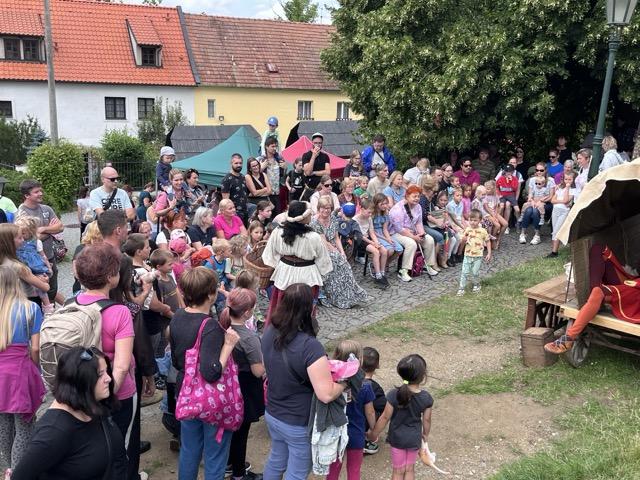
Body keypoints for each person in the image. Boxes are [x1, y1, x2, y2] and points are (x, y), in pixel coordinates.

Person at [261, 284, 346, 480]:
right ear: (310, 308)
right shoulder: (310, 347)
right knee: (297, 473)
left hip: (273, 412)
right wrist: (344, 383)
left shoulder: (270, 332)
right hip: (297, 421)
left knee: (276, 460)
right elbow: (326, 394)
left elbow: (266, 366)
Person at [74, 243, 141, 480]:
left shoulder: (71, 304)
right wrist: (107, 396)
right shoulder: (119, 312)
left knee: (89, 448)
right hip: (116, 393)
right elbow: (122, 365)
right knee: (119, 449)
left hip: (82, 391)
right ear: (112, 277)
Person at [11, 347, 127, 480]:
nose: (109, 378)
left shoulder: (93, 407)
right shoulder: (54, 432)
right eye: (100, 374)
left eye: (107, 371)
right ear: (80, 380)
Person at [169, 267, 240, 480]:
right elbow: (211, 372)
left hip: (185, 392)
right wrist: (228, 346)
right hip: (210, 401)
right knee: (215, 454)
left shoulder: (177, 316)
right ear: (210, 295)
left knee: (189, 449)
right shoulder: (209, 326)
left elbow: (176, 360)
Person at [545, 244, 640, 354]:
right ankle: (596, 295)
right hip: (632, 281)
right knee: (598, 248)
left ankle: (569, 338)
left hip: (635, 292)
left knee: (597, 293)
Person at [0, 266, 44, 474]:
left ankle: (8, 469)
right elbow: (35, 348)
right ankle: (19, 472)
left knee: (4, 426)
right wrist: (36, 368)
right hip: (19, 371)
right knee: (24, 425)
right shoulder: (30, 308)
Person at [261, 201, 332, 324]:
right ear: (303, 217)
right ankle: (301, 333)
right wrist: (323, 273)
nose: (311, 215)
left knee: (282, 308)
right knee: (303, 311)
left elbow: (269, 256)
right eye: (309, 213)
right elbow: (323, 261)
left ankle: (280, 331)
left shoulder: (278, 232)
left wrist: (279, 265)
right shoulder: (313, 237)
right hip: (307, 276)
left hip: (284, 274)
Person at [367, 354, 433, 480]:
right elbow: (427, 419)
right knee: (409, 469)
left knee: (398, 470)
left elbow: (385, 417)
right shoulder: (426, 398)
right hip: (414, 438)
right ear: (423, 376)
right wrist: (425, 434)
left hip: (397, 438)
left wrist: (374, 433)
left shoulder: (393, 395)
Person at [222, 289, 265, 480]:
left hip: (227, 384)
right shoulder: (248, 338)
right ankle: (239, 474)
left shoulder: (221, 326)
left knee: (229, 429)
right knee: (241, 433)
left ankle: (229, 463)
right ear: (247, 312)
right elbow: (258, 371)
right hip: (245, 387)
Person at [326, 340, 375, 480]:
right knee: (354, 470)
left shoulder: (330, 384)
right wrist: (372, 429)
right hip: (356, 433)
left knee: (333, 471)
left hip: (335, 433)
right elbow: (370, 412)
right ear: (359, 359)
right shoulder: (365, 386)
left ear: (336, 355)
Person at [311, 197, 367, 309]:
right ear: (319, 208)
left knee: (345, 266)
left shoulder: (333, 219)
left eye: (328, 208)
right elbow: (324, 242)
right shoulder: (315, 222)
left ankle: (350, 295)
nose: (326, 210)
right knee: (338, 264)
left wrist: (342, 252)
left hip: (333, 247)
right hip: (321, 250)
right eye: (323, 208)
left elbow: (336, 237)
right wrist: (337, 253)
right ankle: (335, 297)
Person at [16, 179, 63, 305]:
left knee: (52, 290)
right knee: (38, 293)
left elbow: (60, 227)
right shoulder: (21, 214)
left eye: (41, 190)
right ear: (27, 195)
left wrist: (43, 229)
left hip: (49, 256)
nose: (41, 193)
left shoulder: (46, 209)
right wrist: (51, 230)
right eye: (36, 192)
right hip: (33, 263)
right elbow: (28, 239)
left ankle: (51, 312)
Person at [389, 185, 438, 282]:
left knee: (429, 240)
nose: (417, 198)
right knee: (411, 243)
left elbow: (418, 223)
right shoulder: (398, 209)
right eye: (414, 196)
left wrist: (422, 234)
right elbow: (399, 229)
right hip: (396, 233)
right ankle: (403, 271)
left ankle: (427, 265)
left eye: (418, 196)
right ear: (407, 196)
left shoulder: (418, 207)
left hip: (412, 231)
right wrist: (414, 237)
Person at [14, 216, 54, 314]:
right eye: (19, 234)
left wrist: (48, 267)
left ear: (30, 232)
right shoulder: (16, 243)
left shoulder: (36, 242)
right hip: (23, 266)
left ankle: (47, 306)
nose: (21, 236)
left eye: (23, 233)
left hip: (35, 266)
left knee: (40, 286)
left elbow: (43, 255)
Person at [353, 197, 391, 288]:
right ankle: (378, 275)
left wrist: (376, 242)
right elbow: (360, 236)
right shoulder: (355, 220)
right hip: (360, 241)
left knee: (384, 251)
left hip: (368, 238)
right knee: (376, 252)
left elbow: (372, 232)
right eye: (369, 212)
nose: (370, 215)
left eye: (371, 213)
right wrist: (372, 243)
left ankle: (382, 272)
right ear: (362, 209)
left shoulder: (369, 218)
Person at [457, 208, 492, 296]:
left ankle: (476, 285)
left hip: (478, 256)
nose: (472, 222)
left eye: (475, 220)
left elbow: (488, 241)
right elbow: (463, 241)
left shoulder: (483, 231)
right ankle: (461, 288)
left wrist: (489, 253)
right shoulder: (467, 230)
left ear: (480, 220)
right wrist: (461, 249)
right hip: (467, 254)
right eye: (471, 220)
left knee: (475, 272)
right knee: (464, 272)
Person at [519, 163, 555, 245]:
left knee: (535, 211)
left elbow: (551, 196)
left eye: (541, 170)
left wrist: (541, 201)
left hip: (546, 203)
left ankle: (537, 235)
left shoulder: (550, 180)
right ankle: (523, 233)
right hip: (534, 201)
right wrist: (531, 200)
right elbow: (530, 193)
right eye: (537, 170)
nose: (539, 172)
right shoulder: (532, 180)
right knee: (528, 210)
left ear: (545, 170)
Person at [547, 171, 575, 258]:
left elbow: (566, 200)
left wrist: (567, 188)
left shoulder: (573, 190)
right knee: (554, 230)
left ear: (573, 180)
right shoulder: (559, 188)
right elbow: (552, 200)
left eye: (570, 179)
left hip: (564, 212)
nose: (567, 181)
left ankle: (554, 252)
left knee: (557, 231)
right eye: (566, 179)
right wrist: (561, 201)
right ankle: (553, 250)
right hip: (555, 210)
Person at [258, 137, 286, 214]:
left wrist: (284, 168)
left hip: (277, 192)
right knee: (266, 215)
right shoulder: (260, 159)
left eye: (276, 146)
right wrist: (261, 168)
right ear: (266, 147)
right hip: (265, 194)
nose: (274, 148)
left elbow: (283, 177)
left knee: (277, 214)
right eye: (272, 146)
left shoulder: (279, 159)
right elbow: (254, 176)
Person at [300, 133, 331, 202]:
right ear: (312, 143)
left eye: (320, 143)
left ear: (322, 143)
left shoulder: (325, 156)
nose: (317, 145)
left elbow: (328, 172)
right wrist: (313, 156)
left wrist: (314, 173)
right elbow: (308, 172)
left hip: (322, 187)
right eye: (315, 143)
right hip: (310, 188)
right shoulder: (306, 155)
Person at [222, 154, 251, 224]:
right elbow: (225, 201)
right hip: (234, 214)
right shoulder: (226, 179)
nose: (239, 165)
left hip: (245, 211)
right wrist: (232, 213)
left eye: (240, 163)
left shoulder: (242, 177)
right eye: (236, 163)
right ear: (231, 163)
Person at [495, 164, 520, 233]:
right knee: (501, 206)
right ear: (504, 171)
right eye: (507, 171)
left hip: (511, 196)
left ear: (512, 172)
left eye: (510, 171)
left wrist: (511, 181)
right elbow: (496, 187)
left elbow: (515, 188)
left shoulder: (514, 179)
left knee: (517, 210)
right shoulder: (501, 178)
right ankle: (499, 223)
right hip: (502, 196)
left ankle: (518, 223)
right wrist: (498, 195)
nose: (508, 173)